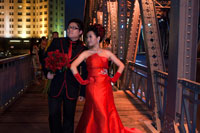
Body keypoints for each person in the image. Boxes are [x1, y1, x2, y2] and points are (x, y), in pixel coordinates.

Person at [70, 24, 141, 133]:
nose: (88, 39)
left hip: (105, 87)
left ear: (98, 38)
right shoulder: (86, 53)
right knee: (97, 109)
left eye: (90, 37)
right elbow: (73, 66)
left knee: (106, 109)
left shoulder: (107, 53)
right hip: (92, 87)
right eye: (87, 37)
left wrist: (113, 79)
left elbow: (121, 65)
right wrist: (82, 81)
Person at [44, 19, 88, 133]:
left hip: (72, 87)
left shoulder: (84, 50)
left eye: (74, 28)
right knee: (53, 115)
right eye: (69, 27)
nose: (70, 29)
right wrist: (47, 72)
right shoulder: (57, 42)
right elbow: (44, 58)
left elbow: (86, 72)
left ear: (80, 32)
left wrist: (83, 92)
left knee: (69, 118)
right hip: (55, 85)